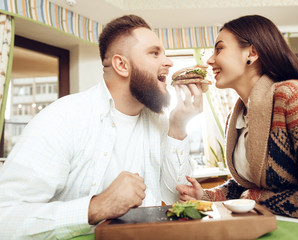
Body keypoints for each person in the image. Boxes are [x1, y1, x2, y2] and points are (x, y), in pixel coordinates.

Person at [0, 15, 203, 239]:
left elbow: (175, 199)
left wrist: (178, 128)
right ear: (122, 65)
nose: (169, 62)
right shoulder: (63, 119)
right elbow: (5, 218)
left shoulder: (161, 122)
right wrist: (97, 207)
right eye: (155, 53)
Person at [176, 15, 298, 222]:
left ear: (252, 53)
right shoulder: (235, 118)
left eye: (219, 49)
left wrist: (255, 199)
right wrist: (205, 196)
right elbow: (248, 185)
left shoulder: (295, 97)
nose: (209, 60)